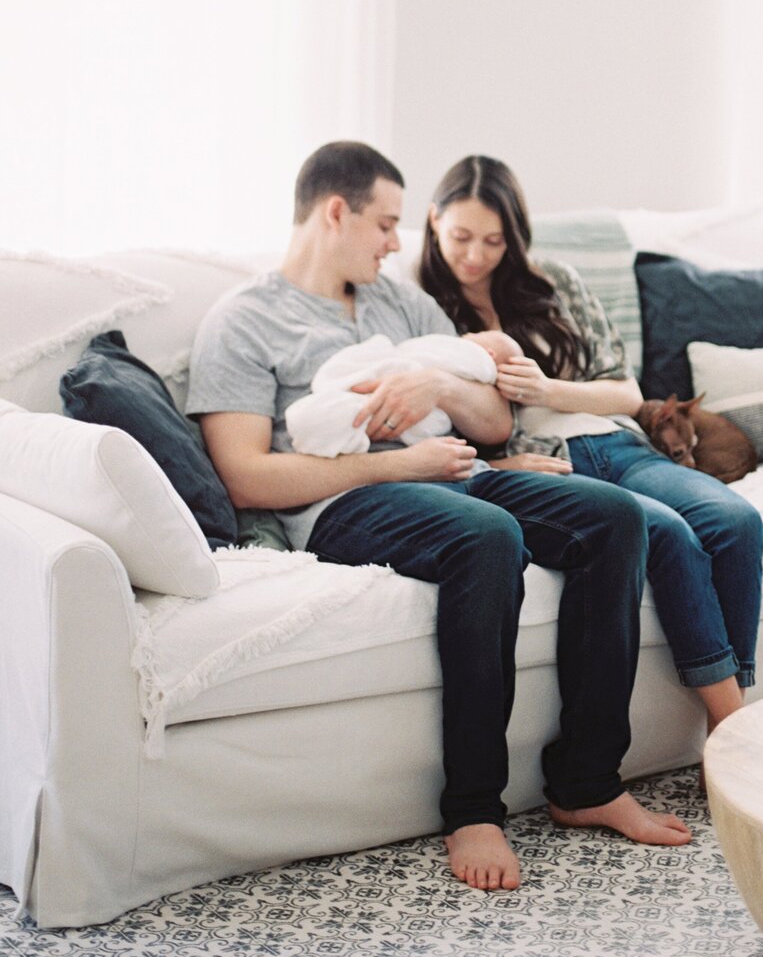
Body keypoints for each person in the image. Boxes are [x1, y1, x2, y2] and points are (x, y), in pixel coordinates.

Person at [187, 141, 690, 895]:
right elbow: (245, 475)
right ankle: (473, 808)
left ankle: (586, 782)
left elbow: (490, 423)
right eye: (387, 224)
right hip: (342, 502)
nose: (399, 243)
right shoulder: (245, 321)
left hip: (458, 471)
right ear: (336, 213)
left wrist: (438, 386)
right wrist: (394, 464)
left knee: (616, 519)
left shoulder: (399, 302)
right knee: (489, 539)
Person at [419, 155, 763, 735]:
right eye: (460, 237)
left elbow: (628, 393)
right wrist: (497, 466)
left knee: (736, 522)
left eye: (494, 240)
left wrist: (548, 388)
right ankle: (736, 732)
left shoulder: (554, 281)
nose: (475, 255)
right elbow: (424, 428)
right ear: (432, 221)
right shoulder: (416, 305)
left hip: (616, 443)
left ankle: (722, 733)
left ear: (516, 237)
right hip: (548, 469)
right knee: (671, 535)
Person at [285, 329, 522, 455]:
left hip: (435, 449)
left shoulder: (474, 357)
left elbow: (501, 425)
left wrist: (437, 382)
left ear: (489, 354)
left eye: (475, 336)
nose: (465, 336)